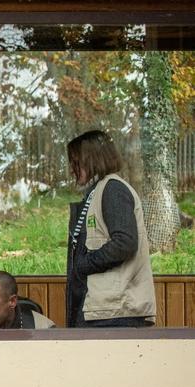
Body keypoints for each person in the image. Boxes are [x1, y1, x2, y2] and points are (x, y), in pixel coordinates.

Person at [65, 130, 156, 328]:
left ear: (92, 159)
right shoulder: (98, 191)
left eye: (76, 161)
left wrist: (83, 264)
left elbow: (125, 243)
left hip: (116, 313)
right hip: (104, 310)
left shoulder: (113, 189)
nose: (72, 169)